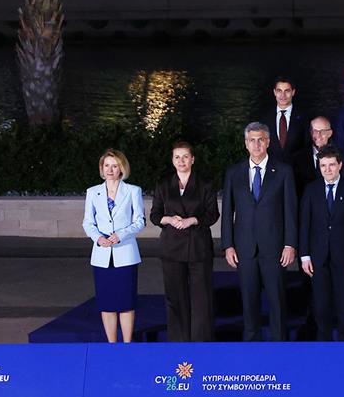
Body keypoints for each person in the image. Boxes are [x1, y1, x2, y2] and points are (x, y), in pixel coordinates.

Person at [221, 122, 298, 341]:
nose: (256, 144)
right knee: (249, 301)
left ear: (268, 142)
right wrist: (228, 245)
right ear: (246, 144)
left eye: (261, 139)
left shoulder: (283, 171)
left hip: (275, 248)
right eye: (252, 140)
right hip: (244, 248)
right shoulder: (234, 173)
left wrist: (290, 244)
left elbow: (290, 211)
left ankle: (279, 346)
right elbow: (228, 211)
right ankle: (251, 347)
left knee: (277, 301)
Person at [150, 141, 218, 342]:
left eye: (185, 156)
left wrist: (193, 220)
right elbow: (155, 215)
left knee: (201, 299)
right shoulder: (163, 185)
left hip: (198, 248)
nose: (181, 161)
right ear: (172, 160)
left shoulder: (205, 185)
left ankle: (201, 342)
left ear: (193, 159)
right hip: (172, 249)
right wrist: (169, 219)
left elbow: (213, 214)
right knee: (175, 298)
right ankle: (179, 342)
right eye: (177, 157)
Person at [299, 145, 344, 341]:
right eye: (323, 166)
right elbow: (305, 225)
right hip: (317, 257)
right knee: (320, 304)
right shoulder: (311, 190)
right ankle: (324, 344)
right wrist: (304, 256)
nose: (327, 169)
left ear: (340, 165)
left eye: (331, 165)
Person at [82, 149, 146, 343]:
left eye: (115, 165)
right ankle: (111, 345)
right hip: (101, 256)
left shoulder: (133, 191)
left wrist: (121, 235)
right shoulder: (93, 192)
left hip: (125, 254)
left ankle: (127, 345)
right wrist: (97, 238)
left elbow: (140, 221)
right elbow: (87, 222)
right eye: (106, 165)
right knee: (107, 304)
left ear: (122, 168)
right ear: (102, 168)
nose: (110, 169)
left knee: (126, 303)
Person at [265, 77, 308, 163]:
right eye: (279, 91)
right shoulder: (265, 118)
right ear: (274, 92)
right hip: (273, 170)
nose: (283, 95)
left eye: (287, 91)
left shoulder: (304, 118)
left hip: (297, 171)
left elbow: (307, 146)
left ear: (293, 92)